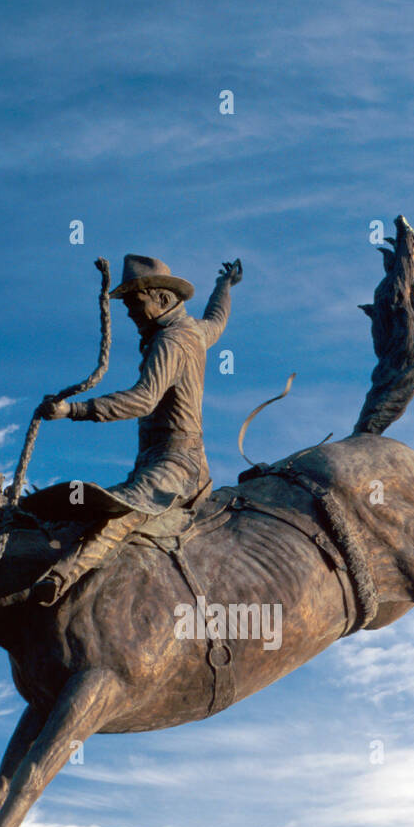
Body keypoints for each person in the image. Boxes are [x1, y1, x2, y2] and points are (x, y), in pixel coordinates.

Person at [34, 253, 242, 604]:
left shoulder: (171, 342)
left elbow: (144, 400)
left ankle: (59, 577)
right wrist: (225, 285)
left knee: (122, 515)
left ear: (161, 298)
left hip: (177, 465)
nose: (130, 313)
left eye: (135, 303)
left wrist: (74, 409)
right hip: (160, 461)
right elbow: (216, 319)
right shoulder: (194, 331)